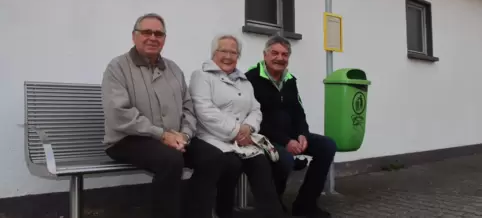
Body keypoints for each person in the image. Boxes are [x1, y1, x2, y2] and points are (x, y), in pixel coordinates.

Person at [101, 13, 224, 218]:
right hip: (127, 139)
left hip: (172, 138)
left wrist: (184, 135)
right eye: (146, 32)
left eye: (158, 33)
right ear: (134, 36)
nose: (153, 37)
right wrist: (161, 134)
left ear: (164, 39)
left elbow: (188, 108)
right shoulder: (117, 67)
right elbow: (118, 113)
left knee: (214, 157)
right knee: (171, 160)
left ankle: (192, 212)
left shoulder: (173, 69)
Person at [188, 34, 285, 218]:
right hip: (212, 138)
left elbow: (256, 109)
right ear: (214, 53)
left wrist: (248, 128)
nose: (228, 56)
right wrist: (236, 131)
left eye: (234, 52)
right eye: (223, 51)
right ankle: (223, 212)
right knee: (229, 163)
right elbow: (205, 111)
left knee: (261, 164)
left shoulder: (244, 80)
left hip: (243, 140)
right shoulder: (201, 76)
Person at [245, 35, 337, 218]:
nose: (280, 58)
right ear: (265, 55)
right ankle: (273, 203)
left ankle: (305, 205)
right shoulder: (250, 79)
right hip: (264, 137)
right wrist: (286, 141)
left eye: (285, 54)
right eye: (275, 53)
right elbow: (256, 118)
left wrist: (303, 134)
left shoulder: (290, 80)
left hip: (291, 136)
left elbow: (298, 111)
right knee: (284, 158)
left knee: (327, 146)